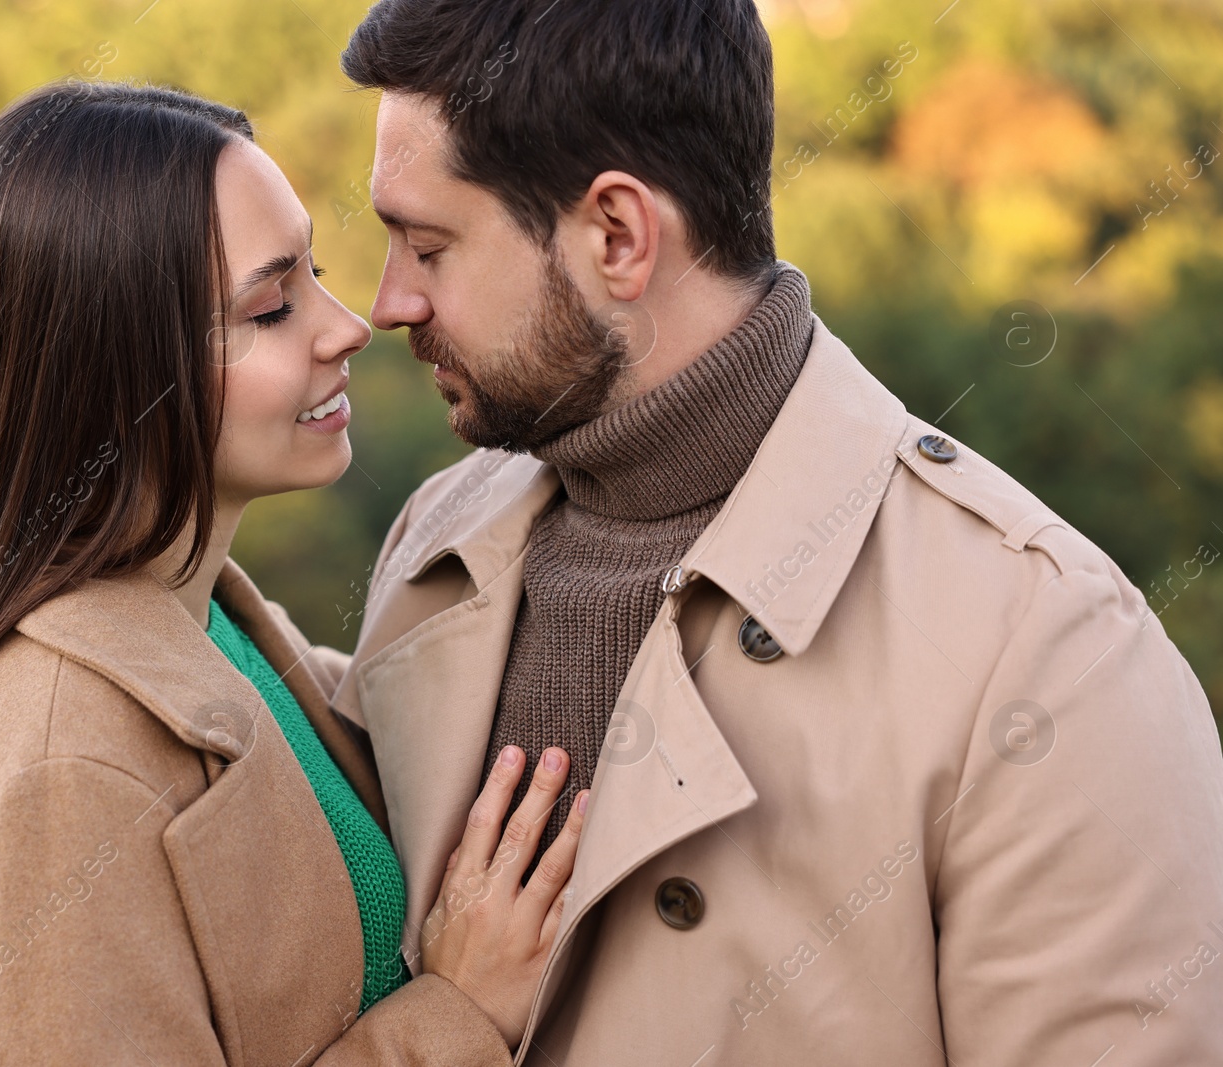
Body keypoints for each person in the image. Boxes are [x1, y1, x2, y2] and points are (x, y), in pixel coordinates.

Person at [331, 0, 1223, 1063]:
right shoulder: (434, 546)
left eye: (427, 246)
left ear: (618, 236)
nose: (387, 303)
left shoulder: (1047, 649)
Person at [0, 80, 586, 1065]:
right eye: (272, 304)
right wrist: (454, 1013)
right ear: (114, 367)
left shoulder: (215, 629)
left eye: (317, 273)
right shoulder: (53, 781)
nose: (344, 326)